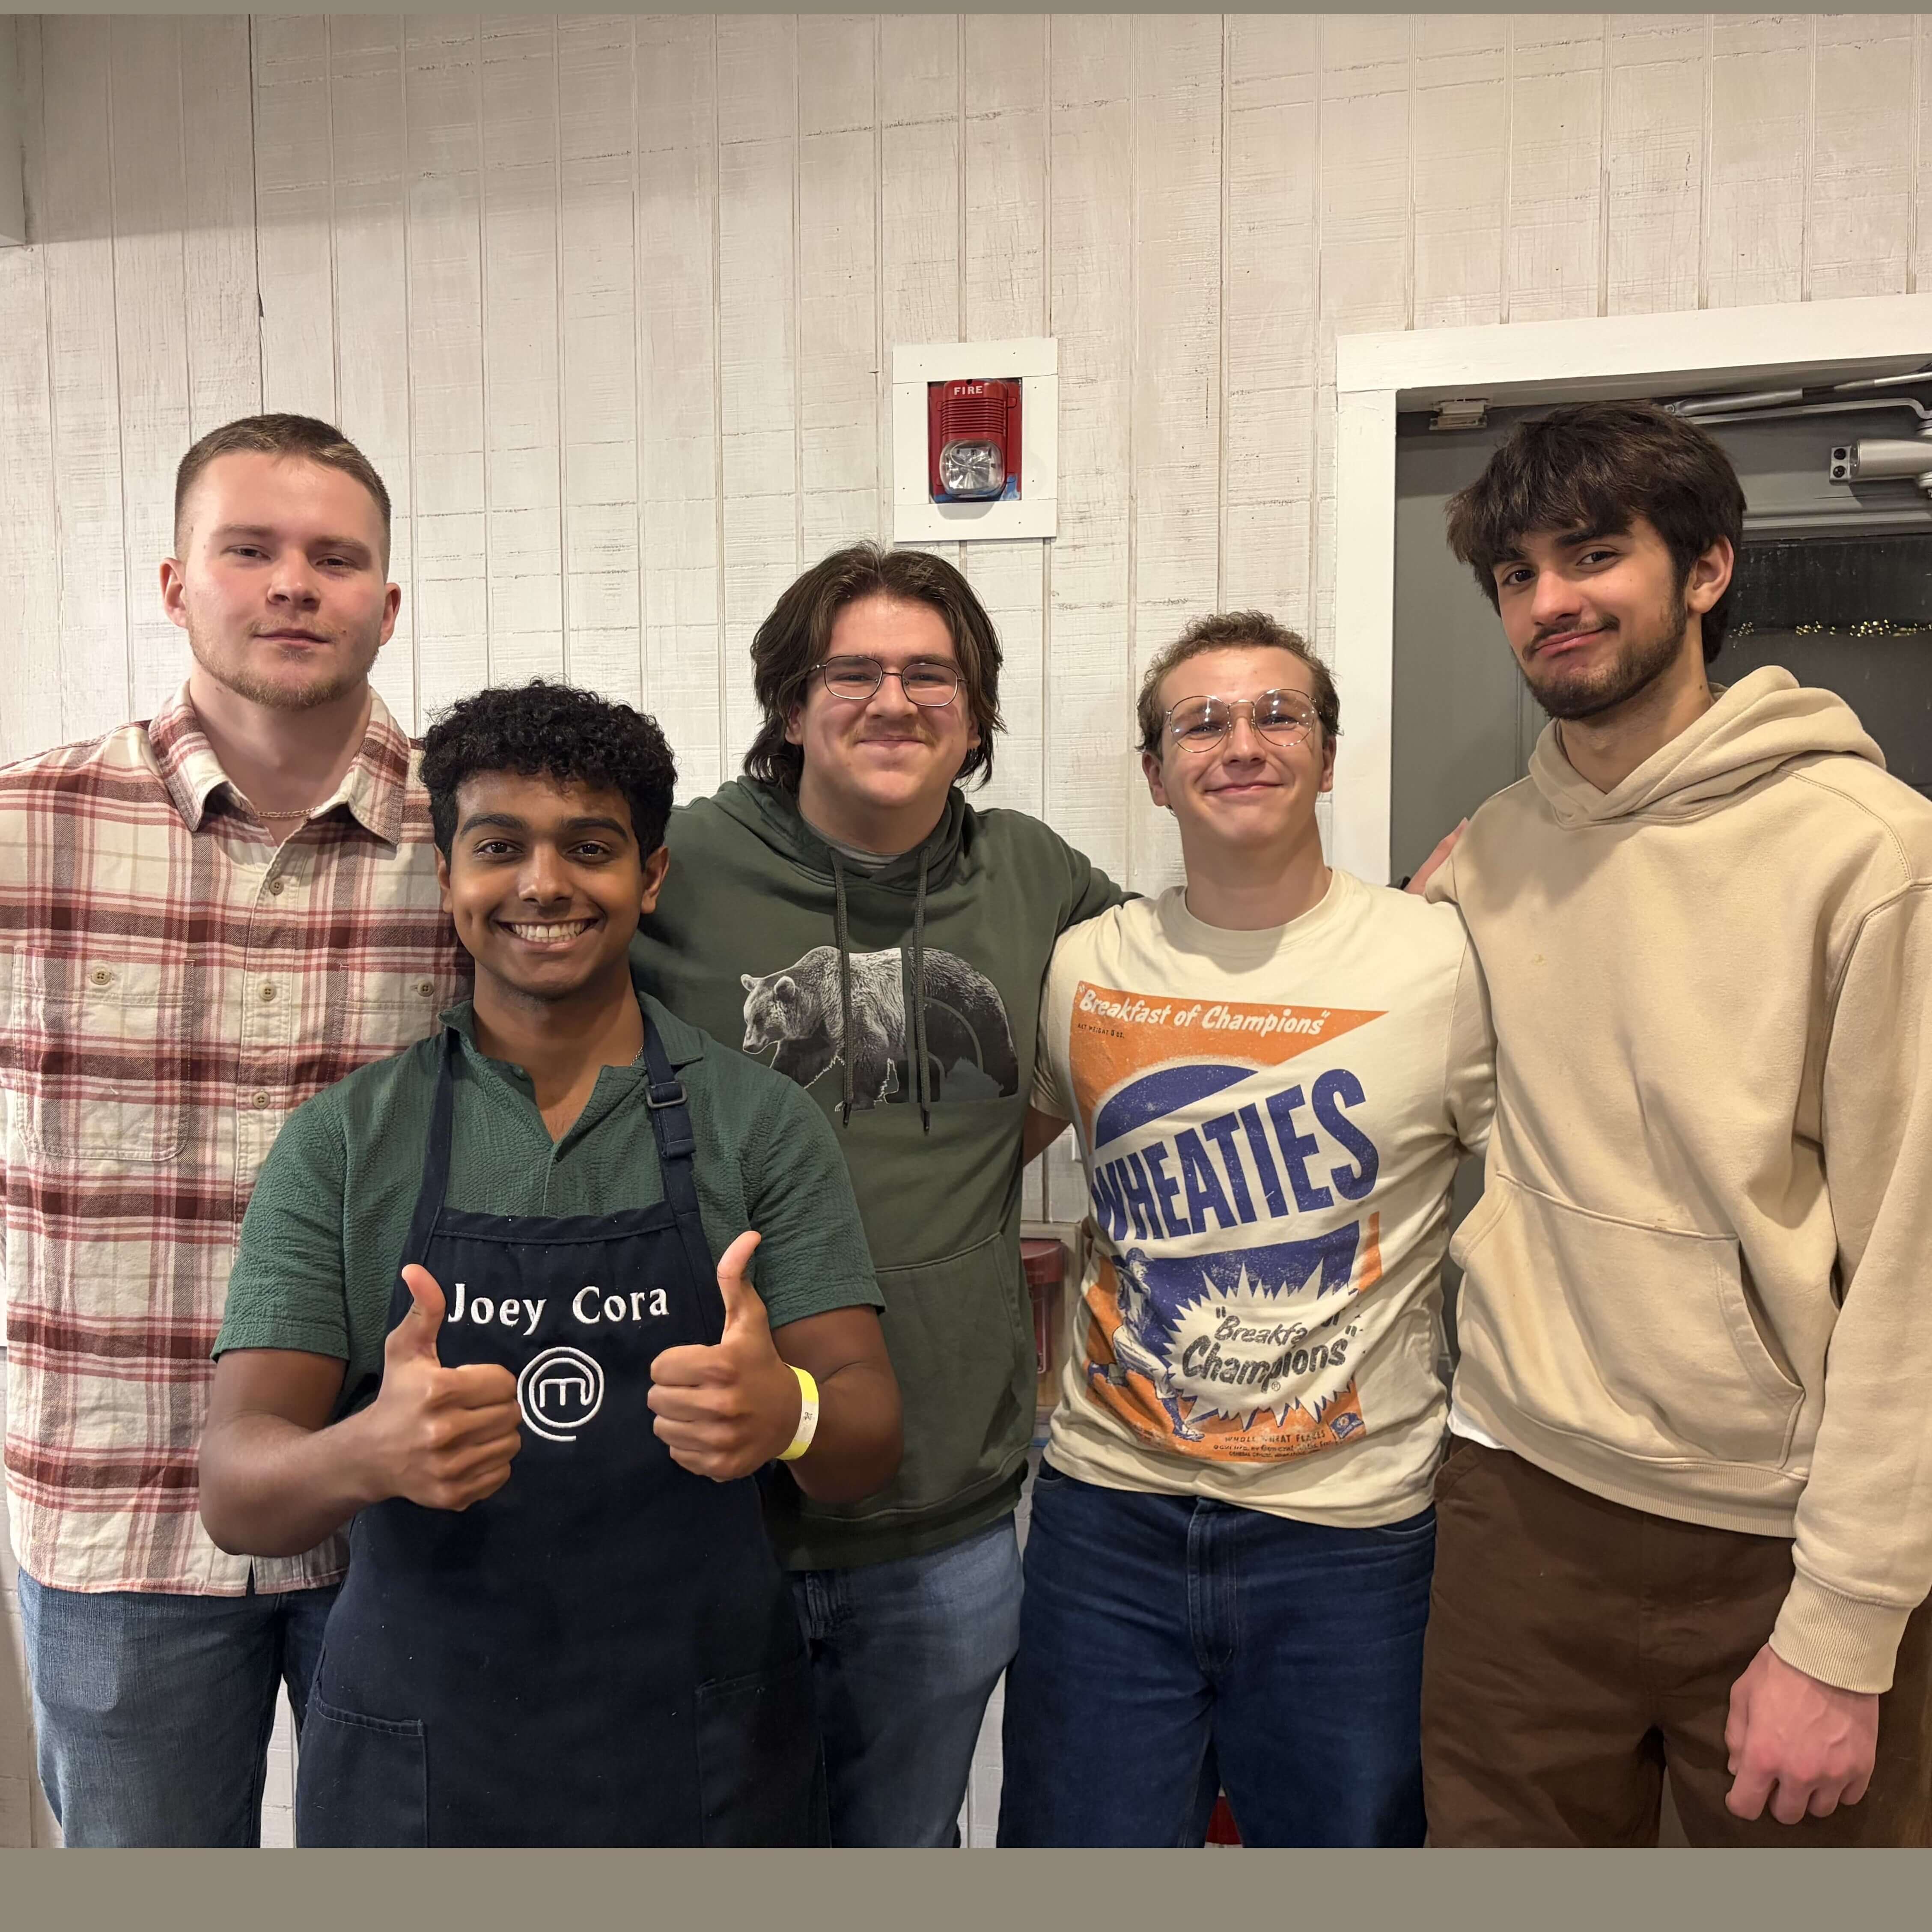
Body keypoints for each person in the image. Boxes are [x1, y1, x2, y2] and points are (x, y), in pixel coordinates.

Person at [198, 682, 900, 1846]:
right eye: (498, 847)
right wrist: (368, 1448)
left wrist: (789, 1411)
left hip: (705, 1745)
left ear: (651, 875)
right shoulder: (346, 1142)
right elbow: (235, 1492)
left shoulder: (758, 1124)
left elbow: (867, 1436)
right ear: (446, 877)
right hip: (423, 1761)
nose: (543, 883)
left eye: (589, 846)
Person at [1418, 400, 1932, 1845]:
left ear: (1705, 569)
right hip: (1516, 1497)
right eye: (1515, 573)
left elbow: (1915, 1269)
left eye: (1592, 555)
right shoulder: (1492, 852)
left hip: (1774, 1532)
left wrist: (1844, 1624)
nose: (1548, 601)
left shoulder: (1872, 856)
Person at [0, 414, 465, 1846]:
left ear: (388, 602)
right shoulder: (28, 828)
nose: (292, 585)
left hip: (408, 1514)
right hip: (116, 1508)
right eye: (249, 549)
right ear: (174, 582)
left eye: (335, 558)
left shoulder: (480, 846)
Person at [631, 543, 1125, 1845]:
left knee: (901, 1850)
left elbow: (1190, 982)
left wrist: (1394, 920)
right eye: (851, 672)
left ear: (976, 712)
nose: (892, 701)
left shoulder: (1034, 878)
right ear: (791, 706)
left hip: (941, 1508)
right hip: (702, 1504)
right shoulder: (677, 863)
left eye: (930, 675)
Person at [995, 612, 1492, 1846]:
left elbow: (1554, 1190)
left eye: (1278, 714)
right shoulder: (1084, 964)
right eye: (1201, 723)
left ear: (1326, 757)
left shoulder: (1437, 960)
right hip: (1107, 1513)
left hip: (1351, 1530)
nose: (1242, 743)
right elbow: (975, 1162)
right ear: (1155, 773)